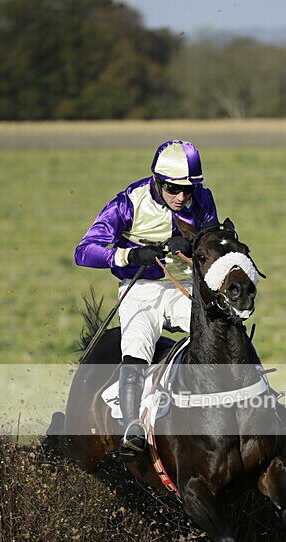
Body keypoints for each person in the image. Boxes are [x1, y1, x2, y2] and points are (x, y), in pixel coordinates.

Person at [75, 140, 218, 461]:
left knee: (221, 328)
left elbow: (211, 245)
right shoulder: (127, 203)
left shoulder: (203, 200)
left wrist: (194, 243)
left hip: (185, 286)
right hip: (140, 289)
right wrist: (131, 254)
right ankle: (132, 426)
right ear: (157, 180)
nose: (182, 197)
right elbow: (83, 251)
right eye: (173, 189)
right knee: (137, 343)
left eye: (189, 190)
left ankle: (260, 402)